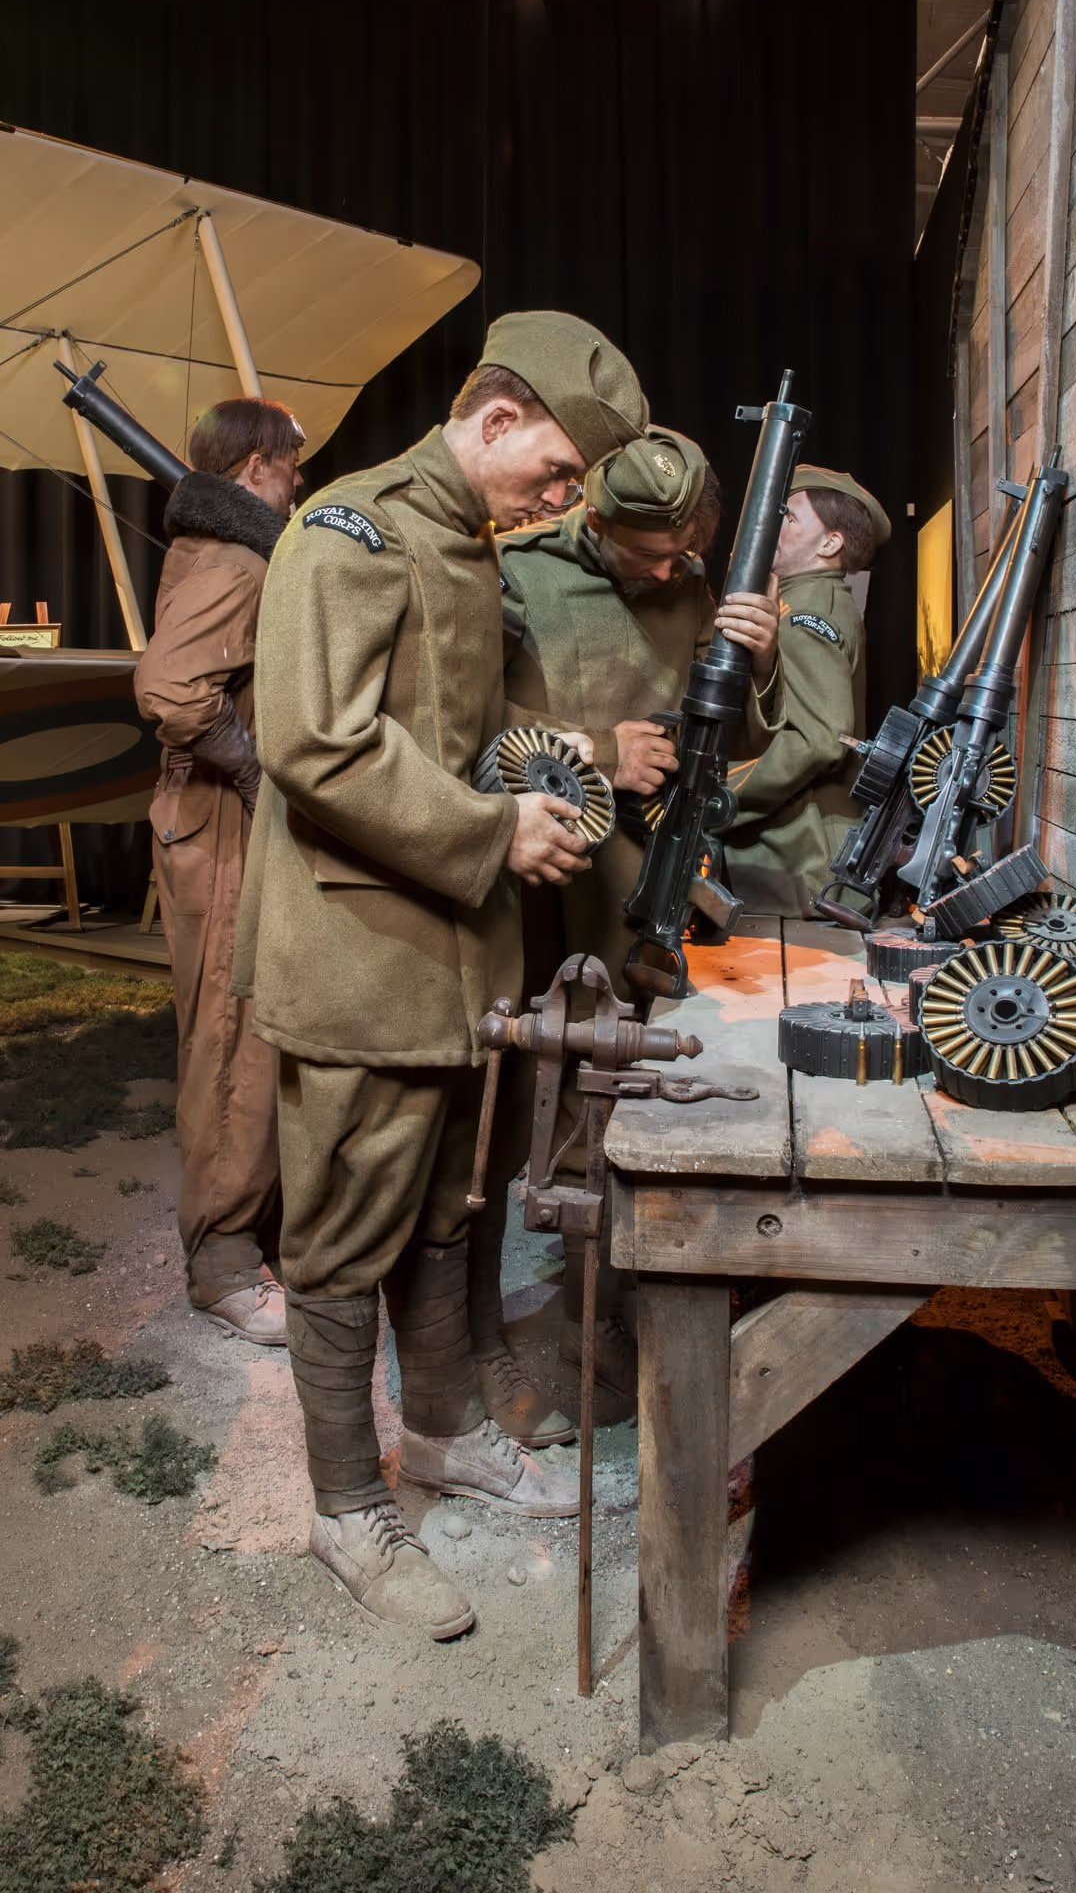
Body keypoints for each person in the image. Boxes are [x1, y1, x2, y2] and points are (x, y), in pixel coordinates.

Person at [233, 311, 649, 1635]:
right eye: (560, 469)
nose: (562, 496)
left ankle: (447, 1432)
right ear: (501, 414)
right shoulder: (346, 531)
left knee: (451, 1206)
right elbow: (315, 743)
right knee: (348, 1233)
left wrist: (573, 782)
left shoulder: (473, 549)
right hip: (360, 952)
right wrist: (490, 830)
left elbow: (492, 725)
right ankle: (347, 1508)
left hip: (463, 952)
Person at [482, 425, 782, 1422]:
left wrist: (755, 658)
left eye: (679, 548)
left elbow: (728, 729)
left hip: (642, 874)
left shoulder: (690, 582)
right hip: (532, 861)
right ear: (590, 516)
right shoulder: (517, 569)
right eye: (642, 550)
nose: (664, 567)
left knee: (616, 1077)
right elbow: (475, 722)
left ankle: (602, 1305)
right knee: (524, 1081)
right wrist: (598, 750)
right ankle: (531, 1313)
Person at [134, 398, 305, 1343]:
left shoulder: (229, 549)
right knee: (234, 1037)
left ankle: (253, 1234)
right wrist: (250, 769)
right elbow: (169, 688)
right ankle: (225, 1263)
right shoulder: (235, 557)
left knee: (251, 1029)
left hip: (222, 821)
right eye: (288, 465)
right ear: (252, 473)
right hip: (220, 827)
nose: (298, 481)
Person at [718, 463, 890, 917]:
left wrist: (720, 789)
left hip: (799, 860)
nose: (772, 524)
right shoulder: (802, 598)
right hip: (797, 856)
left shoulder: (807, 611)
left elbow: (822, 739)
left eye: (789, 517)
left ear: (830, 543)